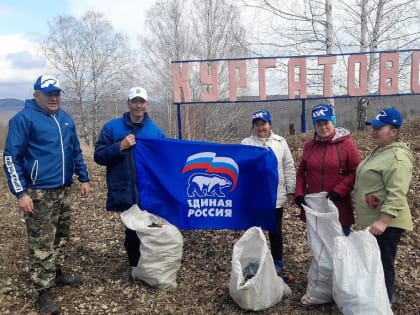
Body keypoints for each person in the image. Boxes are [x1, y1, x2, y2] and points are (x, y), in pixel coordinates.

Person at [3, 74, 91, 315]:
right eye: (49, 93)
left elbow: (75, 151)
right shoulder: (24, 119)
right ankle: (43, 292)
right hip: (38, 191)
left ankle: (55, 272)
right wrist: (21, 193)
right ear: (36, 95)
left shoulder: (65, 119)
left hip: (63, 188)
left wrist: (83, 177)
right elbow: (11, 158)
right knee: (41, 242)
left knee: (60, 236)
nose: (54, 98)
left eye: (57, 93)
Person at [94, 86, 165, 275]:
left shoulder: (156, 132)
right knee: (132, 230)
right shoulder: (112, 128)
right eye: (135, 101)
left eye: (142, 102)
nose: (138, 105)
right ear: (128, 103)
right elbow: (99, 156)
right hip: (124, 188)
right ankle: (135, 266)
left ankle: (149, 266)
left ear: (147, 105)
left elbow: (163, 161)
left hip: (148, 190)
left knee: (151, 227)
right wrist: (120, 146)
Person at [352, 107, 413, 304]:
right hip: (374, 219)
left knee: (383, 263)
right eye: (373, 127)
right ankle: (374, 297)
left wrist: (383, 221)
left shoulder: (398, 157)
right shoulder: (381, 151)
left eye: (379, 128)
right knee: (373, 262)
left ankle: (384, 302)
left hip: (386, 224)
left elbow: (397, 193)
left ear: (394, 131)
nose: (374, 131)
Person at [241, 109, 296, 274]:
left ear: (270, 124)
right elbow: (242, 169)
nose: (260, 128)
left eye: (263, 124)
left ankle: (277, 261)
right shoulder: (246, 144)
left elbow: (288, 166)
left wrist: (291, 190)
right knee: (254, 231)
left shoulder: (280, 142)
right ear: (253, 127)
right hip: (255, 197)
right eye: (257, 125)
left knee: (275, 230)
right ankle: (254, 262)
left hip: (276, 197)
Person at [295, 103, 361, 236]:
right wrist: (299, 193)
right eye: (319, 124)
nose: (323, 127)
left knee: (341, 244)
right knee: (319, 246)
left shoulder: (347, 144)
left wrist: (339, 190)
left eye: (326, 123)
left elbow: (356, 171)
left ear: (333, 121)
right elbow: (302, 173)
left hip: (338, 204)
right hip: (315, 206)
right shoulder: (309, 146)